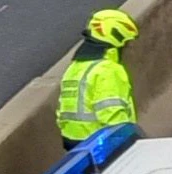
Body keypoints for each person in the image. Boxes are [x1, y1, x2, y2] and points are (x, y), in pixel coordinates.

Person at [58, 8, 138, 149]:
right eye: (127, 43)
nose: (128, 48)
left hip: (73, 145)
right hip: (101, 144)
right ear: (118, 39)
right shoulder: (108, 70)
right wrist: (128, 141)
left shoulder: (75, 67)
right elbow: (112, 115)